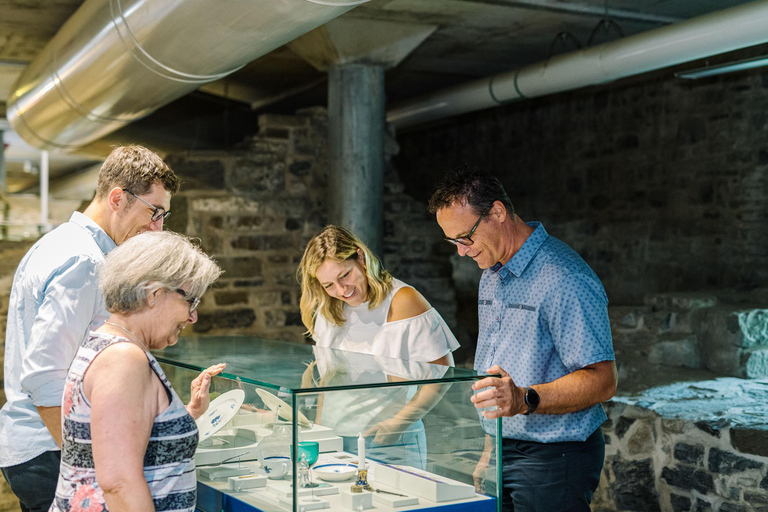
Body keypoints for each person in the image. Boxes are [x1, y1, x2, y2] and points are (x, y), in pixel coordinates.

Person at [0, 145, 180, 512]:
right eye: (155, 212)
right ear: (117, 198)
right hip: (51, 452)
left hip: (43, 449)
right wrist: (84, 462)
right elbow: (46, 378)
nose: (158, 227)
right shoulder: (83, 261)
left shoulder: (68, 245)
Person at [428, 167, 617, 511]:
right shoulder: (491, 273)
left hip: (554, 458)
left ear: (497, 212)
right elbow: (494, 375)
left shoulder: (565, 277)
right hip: (503, 448)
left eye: (464, 237)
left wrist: (525, 398)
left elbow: (603, 380)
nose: (460, 252)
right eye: (452, 241)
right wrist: (489, 446)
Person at [50, 230, 223, 512]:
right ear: (154, 294)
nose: (193, 316)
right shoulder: (124, 359)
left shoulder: (107, 344)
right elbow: (120, 483)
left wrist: (187, 413)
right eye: (190, 301)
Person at [297, 225, 459, 467]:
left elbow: (444, 372)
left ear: (361, 258)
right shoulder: (328, 307)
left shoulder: (403, 300)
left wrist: (399, 423)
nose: (341, 290)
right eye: (329, 285)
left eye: (344, 275)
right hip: (335, 440)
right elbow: (328, 383)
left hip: (389, 443)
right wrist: (321, 433)